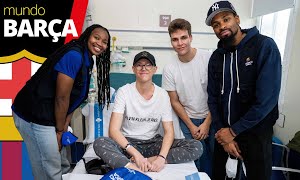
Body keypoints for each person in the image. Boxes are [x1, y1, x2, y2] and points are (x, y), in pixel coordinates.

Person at [11, 24, 111, 180]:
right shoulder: (74, 56)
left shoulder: (87, 59)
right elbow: (62, 97)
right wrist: (58, 131)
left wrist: (63, 129)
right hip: (35, 115)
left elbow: (73, 99)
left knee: (62, 164)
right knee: (49, 168)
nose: (100, 43)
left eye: (104, 42)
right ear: (87, 36)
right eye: (96, 38)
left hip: (51, 115)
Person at [205, 1, 282, 180]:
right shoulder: (216, 58)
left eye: (226, 19)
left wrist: (234, 131)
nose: (222, 26)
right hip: (224, 136)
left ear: (237, 19)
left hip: (255, 135)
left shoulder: (264, 46)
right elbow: (213, 98)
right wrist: (224, 134)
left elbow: (266, 101)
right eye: (216, 24)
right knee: (219, 175)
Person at [93, 51, 203, 173]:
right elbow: (113, 130)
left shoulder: (162, 95)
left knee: (196, 146)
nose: (143, 68)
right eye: (139, 65)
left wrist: (161, 158)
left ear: (155, 69)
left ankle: (148, 161)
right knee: (99, 143)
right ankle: (132, 167)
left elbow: (169, 131)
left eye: (148, 65)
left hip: (153, 143)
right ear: (133, 69)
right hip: (128, 144)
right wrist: (136, 154)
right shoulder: (124, 92)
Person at [162, 18, 215, 178]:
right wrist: (191, 126)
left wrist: (207, 123)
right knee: (195, 160)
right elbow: (174, 101)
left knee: (214, 158)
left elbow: (218, 94)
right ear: (171, 42)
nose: (180, 43)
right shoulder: (169, 69)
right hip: (187, 120)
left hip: (212, 117)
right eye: (175, 39)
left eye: (183, 37)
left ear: (190, 37)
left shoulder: (209, 58)